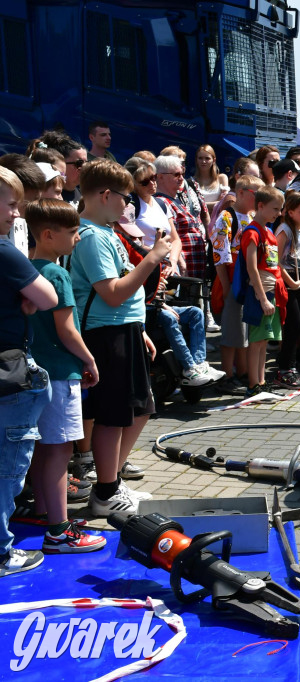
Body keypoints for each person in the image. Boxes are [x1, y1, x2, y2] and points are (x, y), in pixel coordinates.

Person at [69, 160, 171, 516]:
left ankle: (109, 481)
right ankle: (105, 492)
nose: (128, 205)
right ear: (105, 195)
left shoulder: (105, 232)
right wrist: (152, 258)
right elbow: (112, 293)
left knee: (140, 409)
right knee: (112, 416)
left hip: (124, 330)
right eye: (126, 198)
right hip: (106, 334)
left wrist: (139, 329)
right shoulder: (92, 237)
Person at [23, 199, 105, 554]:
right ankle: (58, 530)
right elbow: (67, 329)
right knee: (60, 451)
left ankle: (43, 511)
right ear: (47, 235)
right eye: (72, 232)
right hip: (59, 373)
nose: (77, 238)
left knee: (42, 447)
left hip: (34, 373)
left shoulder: (25, 270)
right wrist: (89, 359)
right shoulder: (57, 274)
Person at [0, 168, 58, 576]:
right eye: (10, 204)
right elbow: (48, 297)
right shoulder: (4, 251)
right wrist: (28, 298)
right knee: (7, 471)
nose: (16, 213)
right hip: (9, 372)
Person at [211, 174, 263, 394]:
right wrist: (225, 286)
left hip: (245, 281)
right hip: (232, 280)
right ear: (240, 193)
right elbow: (219, 254)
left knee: (243, 331)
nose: (259, 199)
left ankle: (242, 372)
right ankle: (226, 375)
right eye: (256, 194)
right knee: (231, 332)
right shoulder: (227, 216)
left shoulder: (251, 217)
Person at [242, 186, 286, 398]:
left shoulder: (268, 231)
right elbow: (252, 268)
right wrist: (262, 299)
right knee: (257, 340)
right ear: (260, 206)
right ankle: (253, 385)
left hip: (272, 291)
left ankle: (261, 382)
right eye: (275, 209)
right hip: (260, 294)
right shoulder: (252, 232)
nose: (279, 213)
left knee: (265, 340)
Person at [272, 192, 300, 389]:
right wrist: (291, 282)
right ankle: (284, 369)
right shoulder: (285, 229)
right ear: (290, 212)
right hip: (287, 279)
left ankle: (291, 367)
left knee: (298, 326)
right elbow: (275, 260)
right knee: (292, 325)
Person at [154, 155, 205, 279]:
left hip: (193, 269)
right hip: (182, 272)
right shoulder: (162, 202)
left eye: (182, 174)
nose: (181, 178)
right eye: (176, 175)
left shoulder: (174, 200)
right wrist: (180, 262)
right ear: (160, 177)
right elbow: (170, 238)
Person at [194, 145, 229, 213]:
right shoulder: (191, 181)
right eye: (200, 158)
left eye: (207, 158)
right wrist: (217, 202)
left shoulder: (222, 178)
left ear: (214, 160)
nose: (203, 161)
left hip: (218, 218)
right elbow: (193, 206)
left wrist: (201, 205)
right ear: (196, 160)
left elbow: (224, 203)